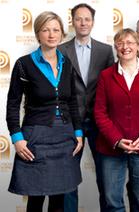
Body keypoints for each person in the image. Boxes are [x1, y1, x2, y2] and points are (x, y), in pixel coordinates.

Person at [6, 11, 83, 212]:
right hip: (36, 137)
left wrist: (78, 133)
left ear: (62, 34)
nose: (51, 34)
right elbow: (13, 104)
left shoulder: (67, 64)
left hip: (65, 137)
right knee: (36, 196)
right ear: (37, 34)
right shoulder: (24, 64)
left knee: (60, 197)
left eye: (56, 30)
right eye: (45, 30)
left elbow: (73, 102)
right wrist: (17, 138)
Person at [94, 28, 139, 212]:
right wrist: (116, 140)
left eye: (130, 42)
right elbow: (100, 112)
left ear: (138, 46)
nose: (125, 47)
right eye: (120, 43)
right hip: (111, 148)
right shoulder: (106, 75)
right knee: (112, 201)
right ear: (116, 47)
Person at [58, 3, 114, 211]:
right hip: (71, 124)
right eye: (79, 19)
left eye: (87, 19)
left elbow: (110, 87)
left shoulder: (106, 50)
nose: (83, 23)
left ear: (93, 22)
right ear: (72, 22)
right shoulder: (61, 50)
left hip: (100, 123)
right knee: (69, 180)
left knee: (105, 178)